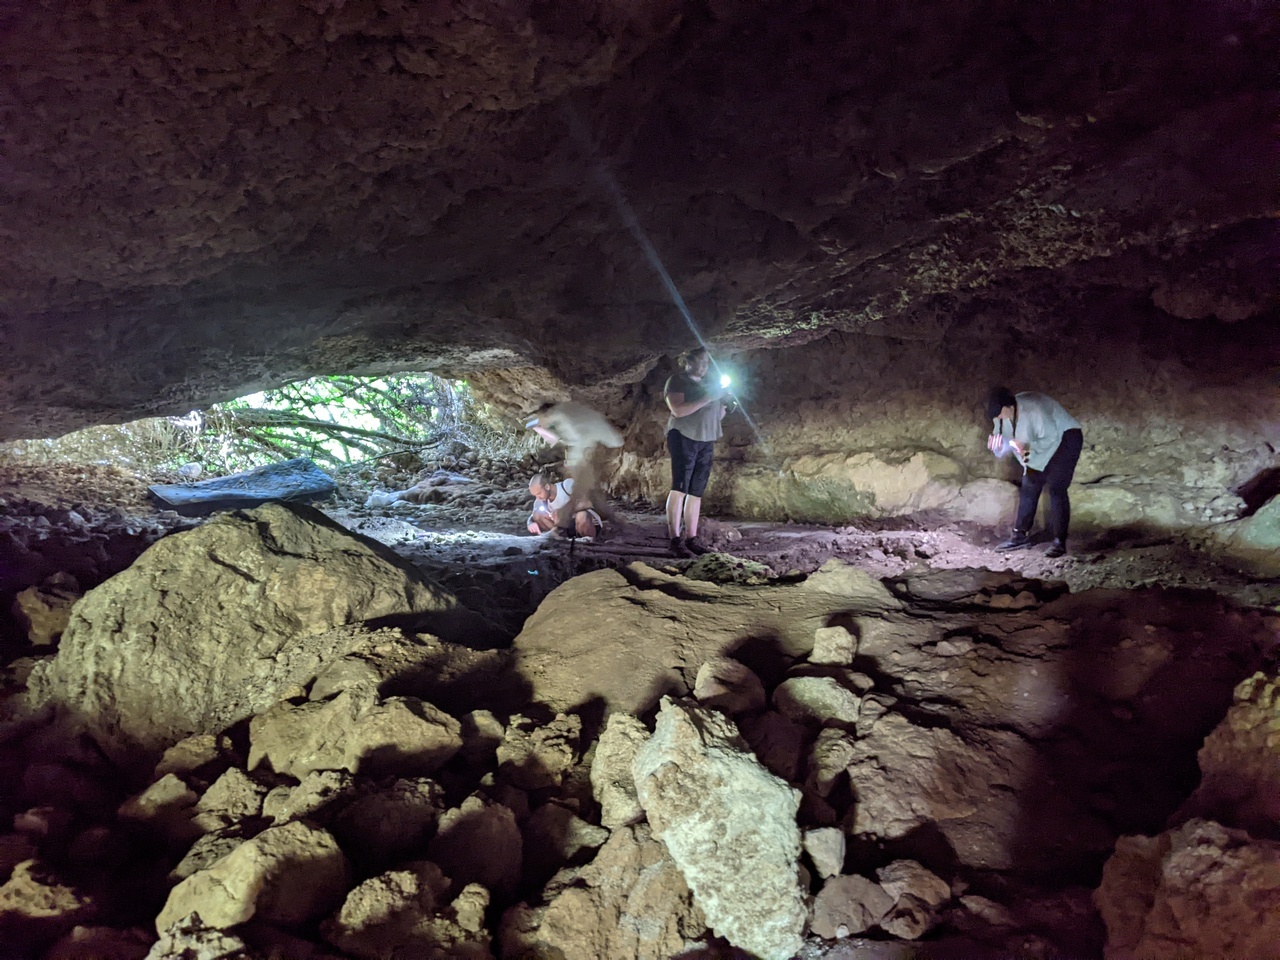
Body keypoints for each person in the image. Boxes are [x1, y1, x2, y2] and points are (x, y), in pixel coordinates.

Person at [984, 386, 1084, 558]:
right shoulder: (1000, 417)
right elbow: (1002, 443)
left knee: (1056, 487)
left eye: (1000, 414)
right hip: (1040, 444)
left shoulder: (1033, 410)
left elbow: (1050, 438)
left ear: (1009, 407)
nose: (998, 418)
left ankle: (1060, 541)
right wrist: (997, 448)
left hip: (1066, 438)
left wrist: (1027, 451)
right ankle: (1019, 536)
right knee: (1029, 485)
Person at [525, 400, 624, 536]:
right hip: (602, 444)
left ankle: (562, 526)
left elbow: (580, 437)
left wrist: (576, 461)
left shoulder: (560, 416)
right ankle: (614, 521)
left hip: (595, 447)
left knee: (580, 488)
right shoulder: (564, 415)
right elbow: (559, 438)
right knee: (590, 489)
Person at [663, 348, 727, 557]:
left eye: (707, 362)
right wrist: (708, 398)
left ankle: (691, 538)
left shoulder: (710, 384)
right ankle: (675, 539)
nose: (704, 366)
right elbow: (677, 410)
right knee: (680, 486)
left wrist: (723, 405)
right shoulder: (677, 380)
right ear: (687, 361)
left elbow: (718, 414)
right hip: (683, 436)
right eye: (700, 361)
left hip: (706, 438)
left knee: (696, 491)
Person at [526, 472, 601, 538]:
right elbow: (533, 515)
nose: (538, 497)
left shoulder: (567, 486)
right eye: (535, 495)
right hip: (566, 529)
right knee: (538, 514)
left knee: (581, 515)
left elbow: (588, 502)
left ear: (547, 487)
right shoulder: (540, 500)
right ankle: (560, 538)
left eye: (539, 493)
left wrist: (564, 512)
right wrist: (530, 523)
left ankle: (589, 542)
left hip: (588, 524)